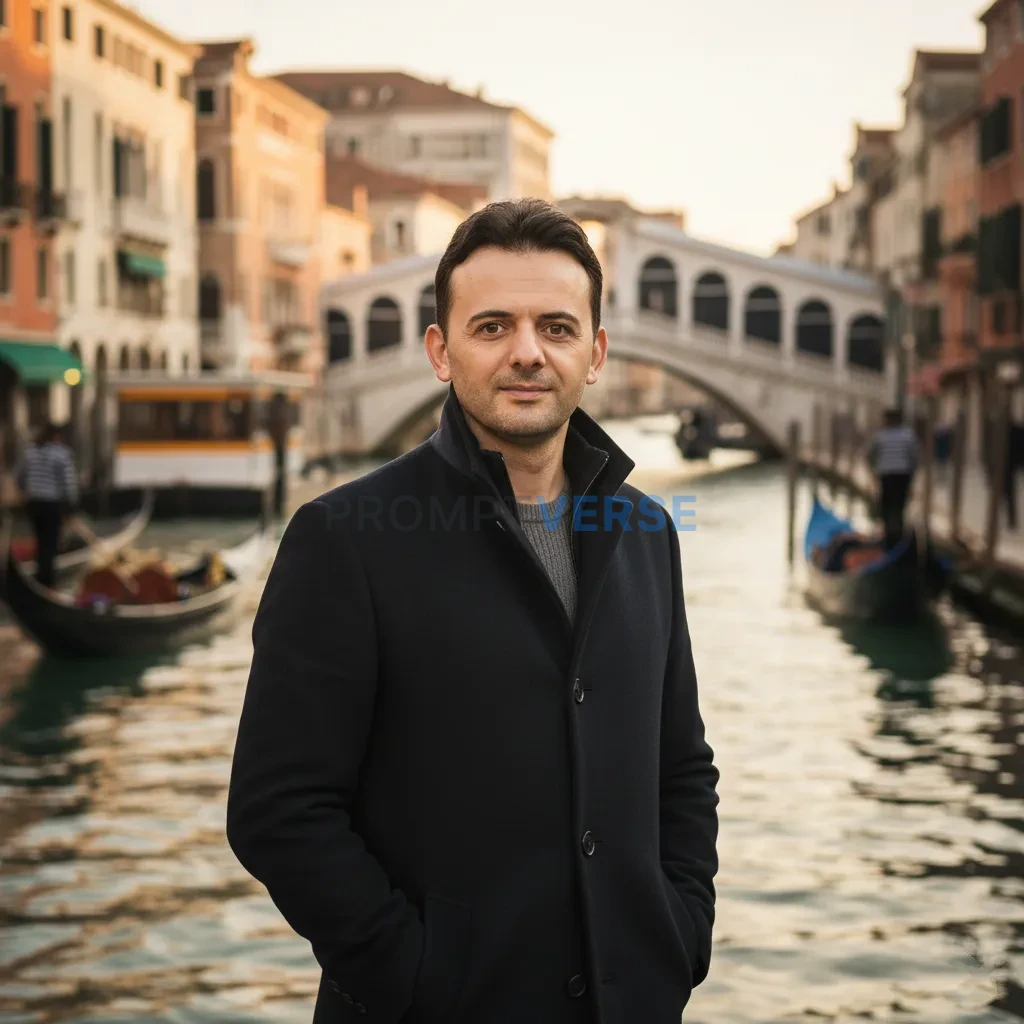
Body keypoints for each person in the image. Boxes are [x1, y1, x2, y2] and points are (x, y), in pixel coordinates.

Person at [227, 199, 720, 1024]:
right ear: (440, 350)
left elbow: (682, 765)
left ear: (594, 353)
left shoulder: (646, 533)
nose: (527, 353)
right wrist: (415, 979)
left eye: (557, 329)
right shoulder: (342, 539)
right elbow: (277, 811)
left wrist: (679, 934)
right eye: (493, 326)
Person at [15, 421, 78, 587]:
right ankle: (47, 580)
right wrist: (70, 507)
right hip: (52, 504)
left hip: (34, 504)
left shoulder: (30, 452)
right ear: (57, 436)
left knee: (41, 540)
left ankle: (40, 576)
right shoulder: (62, 454)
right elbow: (68, 483)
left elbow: (20, 477)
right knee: (51, 543)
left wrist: (25, 493)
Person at [866, 407, 919, 548]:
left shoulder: (880, 436)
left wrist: (873, 470)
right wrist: (912, 476)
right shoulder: (909, 435)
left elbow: (870, 455)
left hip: (886, 475)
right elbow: (914, 458)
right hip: (903, 475)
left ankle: (889, 537)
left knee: (887, 506)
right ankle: (897, 535)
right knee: (899, 505)